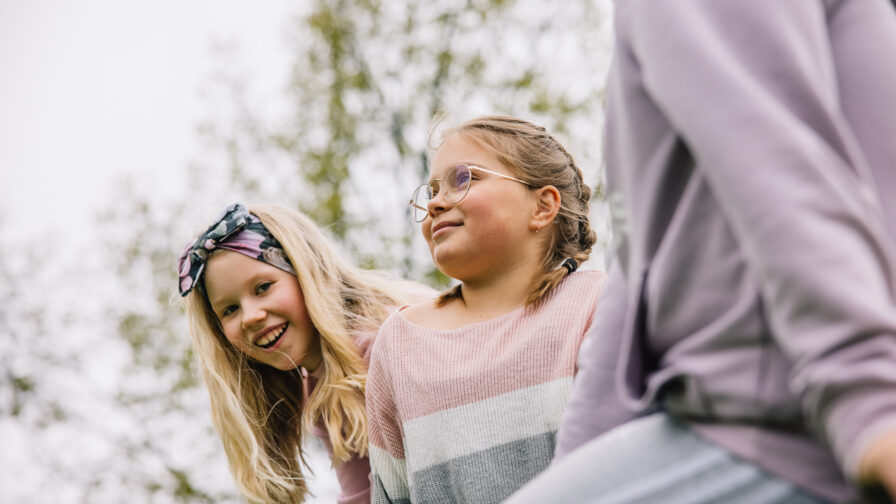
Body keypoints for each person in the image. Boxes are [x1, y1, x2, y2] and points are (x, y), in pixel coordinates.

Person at [506, 1, 896, 503]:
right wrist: (578, 463)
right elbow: (635, 279)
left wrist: (869, 405)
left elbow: (780, 171)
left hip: (793, 433)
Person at [366, 115, 607, 503]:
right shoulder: (399, 342)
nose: (436, 204)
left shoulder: (596, 306)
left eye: (463, 179)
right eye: (431, 191)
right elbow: (391, 493)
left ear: (542, 207)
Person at [177, 203, 434, 503]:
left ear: (305, 271)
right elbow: (364, 495)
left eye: (263, 287)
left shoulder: (386, 344)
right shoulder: (324, 388)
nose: (250, 316)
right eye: (230, 309)